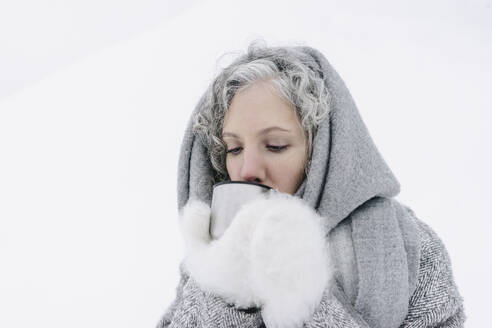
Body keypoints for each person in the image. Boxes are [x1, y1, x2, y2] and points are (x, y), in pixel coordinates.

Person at [156, 42, 465, 328]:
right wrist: (224, 285)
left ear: (323, 151)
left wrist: (305, 301)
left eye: (275, 145)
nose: (247, 170)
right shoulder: (209, 254)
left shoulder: (406, 245)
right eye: (234, 149)